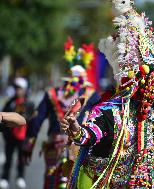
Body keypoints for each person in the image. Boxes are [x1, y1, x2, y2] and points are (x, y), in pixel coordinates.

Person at [61, 0, 154, 188]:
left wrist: (78, 132)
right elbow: (88, 134)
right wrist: (77, 131)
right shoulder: (113, 111)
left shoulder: (152, 117)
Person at [22, 39, 100, 189]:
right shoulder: (92, 95)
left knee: (51, 180)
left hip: (54, 146)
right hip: (78, 148)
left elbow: (36, 121)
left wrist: (28, 146)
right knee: (74, 182)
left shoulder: (52, 94)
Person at [0, 77, 34, 189]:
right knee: (8, 159)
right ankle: (5, 178)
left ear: (24, 89)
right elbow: (3, 118)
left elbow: (33, 120)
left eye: (19, 88)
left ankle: (20, 177)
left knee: (21, 159)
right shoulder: (10, 102)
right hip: (11, 136)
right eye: (16, 88)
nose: (17, 90)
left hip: (23, 137)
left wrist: (30, 137)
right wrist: (5, 134)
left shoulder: (29, 103)